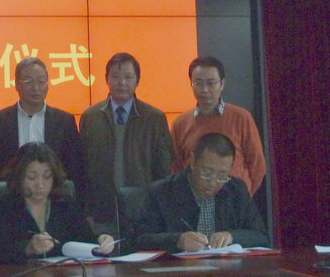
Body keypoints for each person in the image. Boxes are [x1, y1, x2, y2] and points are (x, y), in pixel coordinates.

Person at [80, 52, 173, 234]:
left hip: (142, 212)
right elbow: (83, 169)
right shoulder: (90, 117)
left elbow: (163, 170)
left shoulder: (154, 118)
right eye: (115, 76)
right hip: (101, 211)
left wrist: (159, 211)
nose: (121, 82)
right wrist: (86, 211)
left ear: (137, 81)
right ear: (106, 79)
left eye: (128, 77)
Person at [135, 133, 268, 253]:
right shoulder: (162, 192)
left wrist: (232, 236)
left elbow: (261, 236)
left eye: (222, 175)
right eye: (207, 173)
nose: (213, 182)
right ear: (192, 161)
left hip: (226, 267)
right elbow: (141, 239)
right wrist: (178, 240)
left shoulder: (236, 190)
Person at [0, 142, 114, 264]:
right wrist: (27, 249)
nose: (40, 184)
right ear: (19, 177)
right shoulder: (2, 208)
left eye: (47, 176)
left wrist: (102, 241)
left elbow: (87, 241)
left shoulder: (65, 206)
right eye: (32, 177)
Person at [0, 57, 84, 195]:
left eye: (41, 82)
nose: (36, 88)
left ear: (47, 85)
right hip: (10, 198)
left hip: (53, 198)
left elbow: (74, 169)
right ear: (16, 85)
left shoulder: (64, 122)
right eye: (28, 81)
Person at [171, 56, 266, 196]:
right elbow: (176, 167)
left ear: (222, 84)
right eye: (198, 83)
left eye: (211, 83)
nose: (204, 90)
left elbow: (257, 165)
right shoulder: (180, 124)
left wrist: (244, 196)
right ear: (191, 84)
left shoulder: (241, 117)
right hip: (193, 200)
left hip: (233, 199)